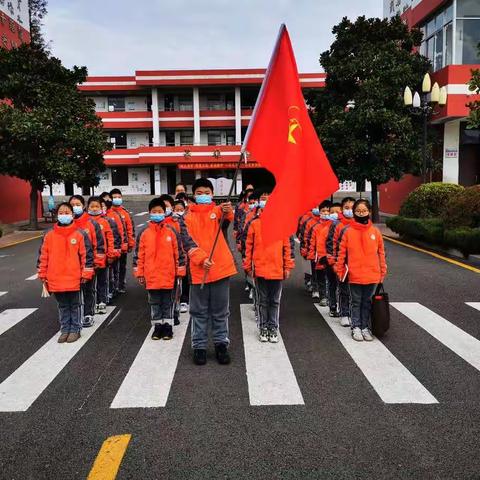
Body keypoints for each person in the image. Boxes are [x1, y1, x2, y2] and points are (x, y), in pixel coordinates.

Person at [179, 178, 237, 366]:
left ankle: (221, 345)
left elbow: (227, 218)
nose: (203, 195)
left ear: (212, 194)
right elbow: (187, 242)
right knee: (199, 312)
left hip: (220, 268)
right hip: (198, 271)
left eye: (207, 192)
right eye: (199, 193)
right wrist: (201, 259)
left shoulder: (218, 211)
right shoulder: (186, 217)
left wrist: (228, 211)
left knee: (221, 312)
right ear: (193, 196)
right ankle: (199, 346)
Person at [37, 202, 94, 343]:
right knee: (62, 305)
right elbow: (43, 256)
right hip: (55, 278)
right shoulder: (49, 235)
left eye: (67, 212)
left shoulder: (79, 234)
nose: (64, 215)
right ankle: (65, 329)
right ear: (57, 215)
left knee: (75, 305)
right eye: (61, 213)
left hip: (75, 278)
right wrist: (42, 274)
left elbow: (87, 256)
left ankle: (75, 329)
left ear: (73, 215)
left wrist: (86, 273)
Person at [243, 197, 295, 342]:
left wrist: (288, 266)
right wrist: (247, 266)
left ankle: (273, 327)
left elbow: (287, 248)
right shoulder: (254, 224)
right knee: (262, 301)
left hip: (277, 269)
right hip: (260, 270)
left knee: (275, 301)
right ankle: (263, 327)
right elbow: (248, 247)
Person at [134, 198, 186, 340]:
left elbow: (179, 253)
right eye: (154, 211)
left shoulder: (171, 232)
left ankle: (168, 327)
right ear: (149, 213)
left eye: (160, 211)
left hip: (169, 275)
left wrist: (180, 271)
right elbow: (139, 255)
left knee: (168, 302)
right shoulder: (144, 233)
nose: (157, 214)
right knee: (154, 303)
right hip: (151, 276)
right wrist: (139, 273)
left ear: (165, 213)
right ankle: (157, 327)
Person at [336, 199, 387, 342]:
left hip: (372, 274)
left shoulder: (375, 232)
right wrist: (340, 271)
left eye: (364, 211)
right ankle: (356, 327)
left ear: (369, 212)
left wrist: (382, 271)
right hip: (354, 274)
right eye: (358, 211)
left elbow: (381, 253)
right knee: (356, 302)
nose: (361, 213)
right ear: (354, 213)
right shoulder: (348, 232)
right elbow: (341, 254)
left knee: (367, 302)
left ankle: (365, 327)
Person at [70, 195, 105, 327]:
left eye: (77, 204)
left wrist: (96, 262)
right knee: (74, 292)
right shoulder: (67, 225)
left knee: (88, 289)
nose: (75, 207)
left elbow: (99, 244)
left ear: (83, 206)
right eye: (72, 205)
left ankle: (88, 314)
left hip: (88, 263)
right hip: (71, 266)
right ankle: (75, 315)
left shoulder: (92, 223)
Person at [87, 196, 120, 315]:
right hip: (89, 259)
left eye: (97, 206)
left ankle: (102, 301)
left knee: (103, 280)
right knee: (90, 283)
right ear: (87, 207)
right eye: (92, 206)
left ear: (101, 208)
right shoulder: (85, 222)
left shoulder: (105, 222)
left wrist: (111, 254)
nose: (94, 209)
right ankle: (93, 302)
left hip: (103, 258)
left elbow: (110, 239)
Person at [328, 197, 356, 326]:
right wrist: (334, 261)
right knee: (343, 289)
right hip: (342, 262)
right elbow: (331, 243)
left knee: (356, 291)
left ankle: (354, 314)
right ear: (342, 209)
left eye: (352, 208)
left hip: (357, 263)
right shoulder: (336, 224)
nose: (349, 211)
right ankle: (344, 313)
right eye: (346, 208)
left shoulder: (360, 223)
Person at [100, 191, 127, 300]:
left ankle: (116, 287)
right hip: (101, 252)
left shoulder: (115, 216)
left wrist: (121, 246)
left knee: (116, 269)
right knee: (105, 274)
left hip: (114, 249)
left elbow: (120, 232)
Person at [303, 201, 331, 303]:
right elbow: (310, 240)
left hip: (330, 257)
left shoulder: (334, 225)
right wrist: (310, 254)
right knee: (319, 276)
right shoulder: (315, 226)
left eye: (328, 211)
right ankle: (322, 295)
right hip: (318, 256)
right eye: (323, 211)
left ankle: (330, 297)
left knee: (330, 278)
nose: (326, 213)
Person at [110, 189, 135, 294]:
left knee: (122, 266)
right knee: (113, 267)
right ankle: (114, 286)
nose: (117, 199)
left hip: (123, 245)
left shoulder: (125, 212)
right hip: (113, 246)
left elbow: (130, 229)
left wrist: (130, 243)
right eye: (114, 197)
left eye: (119, 197)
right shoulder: (108, 212)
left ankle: (121, 284)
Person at [173, 199, 189, 315]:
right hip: (174, 256)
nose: (179, 212)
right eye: (176, 210)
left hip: (186, 254)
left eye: (181, 210)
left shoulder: (187, 222)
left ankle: (184, 300)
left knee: (185, 279)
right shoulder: (170, 222)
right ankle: (176, 300)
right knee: (176, 280)